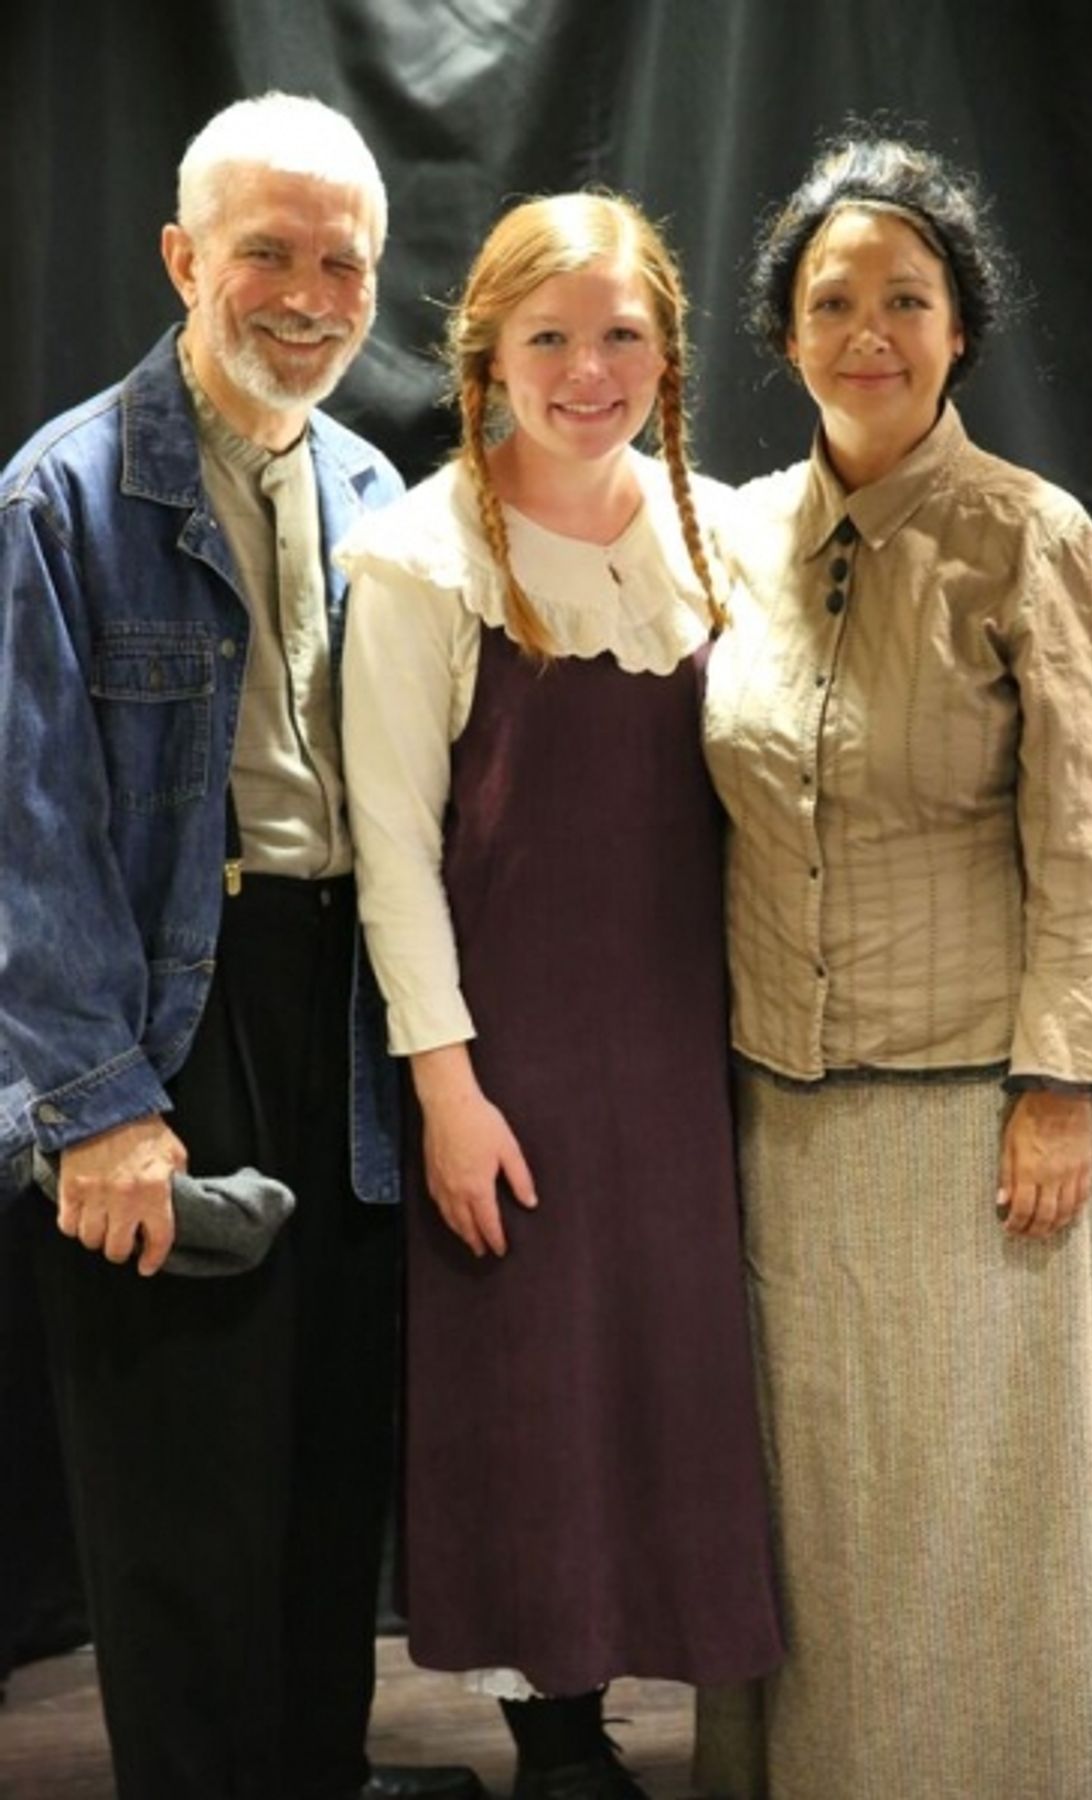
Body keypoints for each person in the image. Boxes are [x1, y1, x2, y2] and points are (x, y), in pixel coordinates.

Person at [0, 92, 482, 1800]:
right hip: (165, 1017)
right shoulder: (60, 496)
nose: (309, 292)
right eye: (266, 252)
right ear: (180, 258)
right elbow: (24, 827)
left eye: (342, 260)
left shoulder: (371, 486)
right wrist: (96, 1105)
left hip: (337, 1002)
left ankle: (316, 1773)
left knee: (325, 1456)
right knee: (181, 1482)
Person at [694, 135, 1092, 1799]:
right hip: (785, 1116)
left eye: (907, 296)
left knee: (976, 1513)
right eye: (833, 299)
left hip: (978, 1114)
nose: (869, 329)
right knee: (824, 1506)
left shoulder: (1028, 538)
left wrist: (1062, 1089)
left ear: (962, 325)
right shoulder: (728, 537)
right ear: (785, 332)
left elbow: (1089, 841)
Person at [336, 191, 784, 1800]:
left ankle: (681, 1697)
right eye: (550, 337)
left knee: (665, 1367)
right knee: (530, 1384)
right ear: (487, 356)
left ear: (665, 352)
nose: (588, 370)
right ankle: (557, 1736)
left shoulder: (722, 535)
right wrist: (446, 1091)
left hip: (680, 1037)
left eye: (621, 335)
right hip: (509, 1048)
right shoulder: (417, 557)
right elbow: (391, 849)